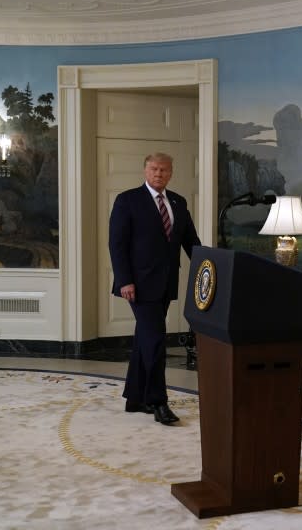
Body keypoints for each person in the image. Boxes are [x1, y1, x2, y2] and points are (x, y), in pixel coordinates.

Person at [108, 152, 201, 426]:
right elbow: (117, 244)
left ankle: (135, 398)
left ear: (171, 173)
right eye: (154, 169)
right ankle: (158, 402)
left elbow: (191, 243)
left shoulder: (178, 203)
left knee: (145, 341)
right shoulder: (128, 200)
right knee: (156, 341)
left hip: (166, 284)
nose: (158, 174)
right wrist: (125, 280)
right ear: (145, 171)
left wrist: (212, 265)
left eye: (164, 170)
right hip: (137, 286)